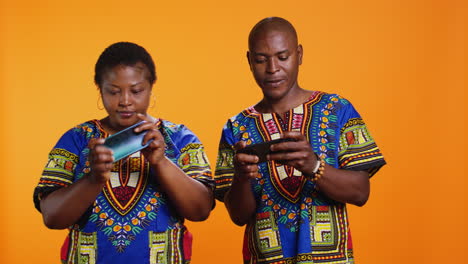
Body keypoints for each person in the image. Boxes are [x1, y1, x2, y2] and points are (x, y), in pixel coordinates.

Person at [214, 17, 386, 264]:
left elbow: (361, 192)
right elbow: (239, 216)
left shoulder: (337, 109)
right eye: (262, 60)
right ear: (249, 61)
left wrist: (314, 166)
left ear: (299, 54)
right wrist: (241, 179)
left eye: (282, 57)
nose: (273, 68)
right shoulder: (237, 127)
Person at [33, 42, 214, 264]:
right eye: (114, 91)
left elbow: (201, 211)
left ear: (151, 87)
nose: (125, 101)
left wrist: (161, 162)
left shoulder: (179, 138)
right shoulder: (78, 139)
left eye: (136, 91)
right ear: (99, 88)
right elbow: (52, 217)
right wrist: (94, 179)